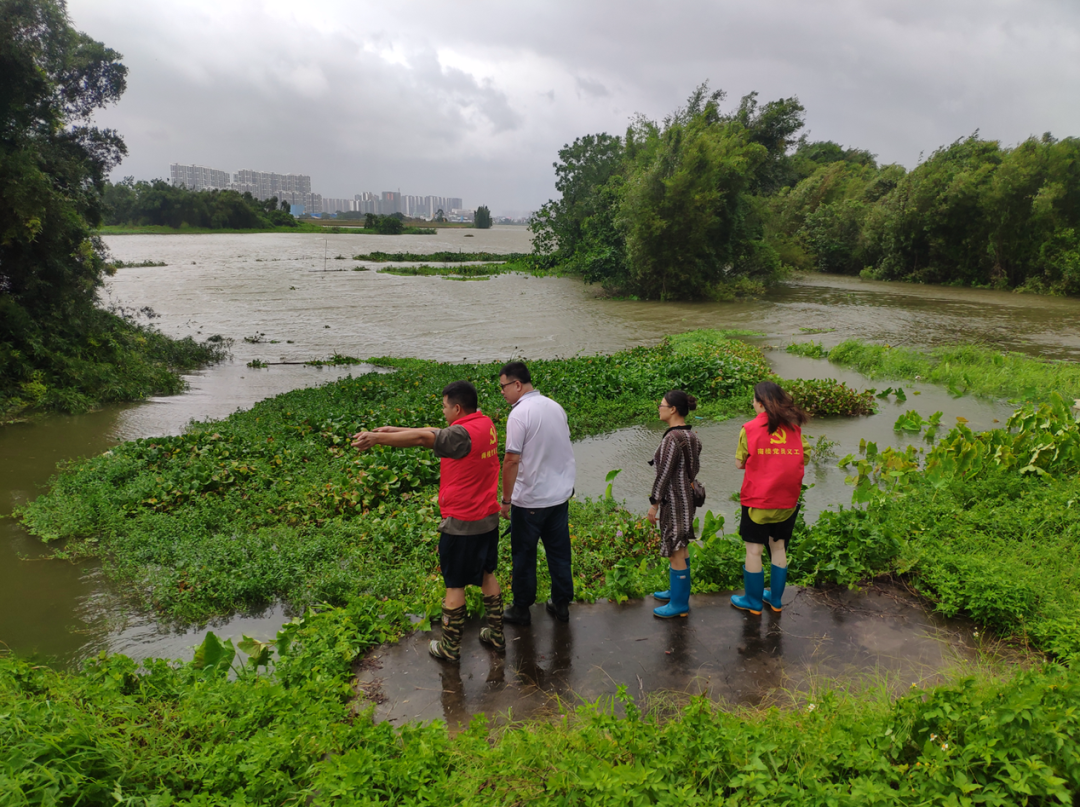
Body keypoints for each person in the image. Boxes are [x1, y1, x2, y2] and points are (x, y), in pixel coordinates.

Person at [351, 380, 503, 661]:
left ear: (457, 408)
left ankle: (450, 648)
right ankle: (496, 633)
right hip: (488, 519)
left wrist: (377, 439)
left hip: (462, 523)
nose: (442, 411)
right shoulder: (484, 423)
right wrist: (396, 431)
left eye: (445, 407)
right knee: (486, 575)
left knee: (455, 585)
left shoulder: (461, 435)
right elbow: (437, 433)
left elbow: (426, 439)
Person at [497, 361, 576, 625]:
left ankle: (521, 609)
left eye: (503, 387)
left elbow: (510, 460)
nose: (502, 393)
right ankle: (561, 605)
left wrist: (506, 501)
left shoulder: (519, 414)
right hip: (558, 498)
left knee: (524, 556)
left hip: (530, 500)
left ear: (517, 384)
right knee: (559, 554)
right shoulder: (555, 407)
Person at [730, 381, 810, 615]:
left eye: (754, 400)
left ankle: (753, 602)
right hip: (787, 500)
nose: (752, 404)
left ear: (761, 402)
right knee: (778, 548)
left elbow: (739, 463)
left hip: (758, 499)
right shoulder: (794, 428)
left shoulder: (750, 428)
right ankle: (775, 600)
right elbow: (805, 457)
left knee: (753, 550)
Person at [648, 390, 703, 618]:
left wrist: (654, 503)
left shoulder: (672, 439)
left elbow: (664, 474)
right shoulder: (691, 436)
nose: (659, 409)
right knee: (682, 545)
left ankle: (679, 604)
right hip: (687, 499)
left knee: (675, 550)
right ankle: (677, 592)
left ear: (672, 409)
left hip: (675, 501)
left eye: (661, 405)